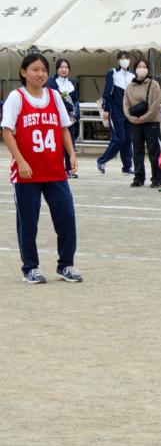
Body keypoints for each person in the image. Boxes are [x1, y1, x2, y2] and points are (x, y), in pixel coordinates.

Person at [2, 53, 83, 284]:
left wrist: (71, 153)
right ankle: (30, 267)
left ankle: (65, 265)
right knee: (28, 221)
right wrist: (21, 161)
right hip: (27, 172)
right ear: (23, 72)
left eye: (44, 70)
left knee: (66, 215)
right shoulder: (16, 98)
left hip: (54, 169)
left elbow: (64, 128)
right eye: (35, 70)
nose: (40, 74)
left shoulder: (54, 95)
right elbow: (7, 132)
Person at [123, 58, 161, 188]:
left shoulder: (154, 85)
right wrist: (130, 118)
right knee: (137, 151)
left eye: (144, 66)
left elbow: (155, 105)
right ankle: (138, 177)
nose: (141, 69)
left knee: (154, 151)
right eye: (139, 66)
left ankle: (157, 178)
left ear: (148, 69)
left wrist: (144, 118)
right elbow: (125, 104)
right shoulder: (129, 86)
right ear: (135, 69)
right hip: (135, 123)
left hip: (151, 122)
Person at [97, 50, 135, 175]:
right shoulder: (113, 73)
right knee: (119, 139)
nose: (124, 60)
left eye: (126, 58)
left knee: (128, 139)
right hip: (116, 112)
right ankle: (102, 160)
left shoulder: (132, 76)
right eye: (122, 58)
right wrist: (106, 109)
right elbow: (107, 92)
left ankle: (127, 167)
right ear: (118, 61)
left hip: (128, 113)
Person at [52, 58, 81, 178]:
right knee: (56, 144)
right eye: (61, 67)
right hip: (56, 117)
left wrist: (76, 110)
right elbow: (55, 99)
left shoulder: (72, 82)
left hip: (70, 119)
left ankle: (69, 169)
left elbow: (75, 99)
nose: (64, 70)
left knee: (70, 143)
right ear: (57, 69)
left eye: (66, 67)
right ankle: (56, 169)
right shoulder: (52, 82)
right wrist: (69, 106)